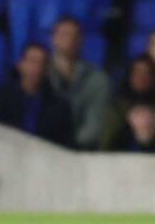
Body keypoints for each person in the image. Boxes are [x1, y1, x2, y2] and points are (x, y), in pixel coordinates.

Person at [0, 44, 75, 148]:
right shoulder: (0, 98)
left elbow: (66, 145)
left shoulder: (60, 106)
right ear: (20, 65)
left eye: (41, 63)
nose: (36, 68)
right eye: (32, 62)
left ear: (47, 70)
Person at [47, 17, 112, 150]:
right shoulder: (38, 74)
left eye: (74, 35)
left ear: (81, 40)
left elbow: (94, 126)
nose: (69, 40)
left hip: (80, 155)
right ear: (53, 38)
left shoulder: (98, 80)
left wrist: (65, 148)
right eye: (64, 34)